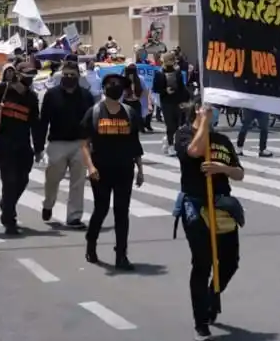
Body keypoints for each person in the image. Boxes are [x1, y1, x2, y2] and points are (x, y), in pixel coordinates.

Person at [175, 99, 246, 341]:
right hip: (196, 206)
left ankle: (211, 294)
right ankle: (201, 322)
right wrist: (203, 123)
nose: (214, 113)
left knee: (230, 262)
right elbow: (194, 151)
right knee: (203, 263)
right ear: (197, 110)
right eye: (208, 109)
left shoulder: (223, 141)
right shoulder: (184, 134)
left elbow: (239, 173)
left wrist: (222, 169)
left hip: (222, 206)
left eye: (214, 110)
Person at [0, 59, 45, 236]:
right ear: (17, 75)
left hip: (23, 146)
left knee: (23, 180)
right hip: (2, 144)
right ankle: (9, 218)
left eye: (32, 76)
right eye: (27, 75)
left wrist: (39, 148)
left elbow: (35, 124)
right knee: (10, 180)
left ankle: (7, 203)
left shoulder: (32, 98)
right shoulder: (2, 89)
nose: (30, 79)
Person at [82, 70, 145, 269]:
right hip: (100, 170)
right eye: (112, 84)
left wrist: (140, 169)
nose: (115, 87)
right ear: (105, 89)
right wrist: (90, 167)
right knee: (100, 210)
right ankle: (91, 245)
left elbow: (135, 143)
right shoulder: (94, 112)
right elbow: (84, 144)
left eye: (119, 85)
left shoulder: (129, 113)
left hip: (124, 169)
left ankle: (121, 255)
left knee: (121, 212)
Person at [39, 59, 93, 228]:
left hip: (80, 144)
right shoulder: (51, 95)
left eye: (73, 75)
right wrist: (39, 147)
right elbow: (43, 122)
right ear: (61, 76)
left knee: (78, 182)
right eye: (66, 75)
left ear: (78, 76)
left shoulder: (86, 96)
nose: (69, 77)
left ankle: (74, 216)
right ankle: (48, 204)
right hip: (57, 144)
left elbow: (92, 122)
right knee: (52, 179)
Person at [154, 56, 190, 153]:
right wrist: (165, 91)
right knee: (170, 125)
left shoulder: (177, 72)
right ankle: (170, 144)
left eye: (172, 60)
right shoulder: (159, 73)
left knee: (179, 124)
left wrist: (185, 100)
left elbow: (182, 87)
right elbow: (155, 88)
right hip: (166, 102)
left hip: (177, 101)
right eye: (168, 60)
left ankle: (171, 141)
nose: (170, 62)